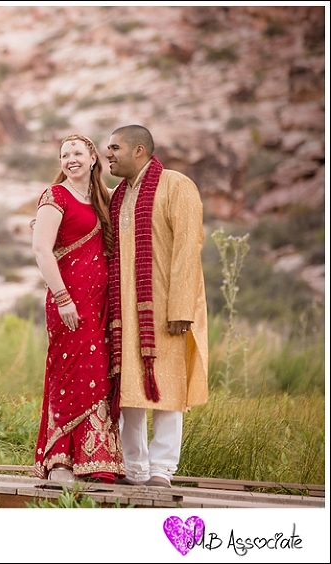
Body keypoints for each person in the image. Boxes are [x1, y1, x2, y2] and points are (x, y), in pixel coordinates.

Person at [104, 124, 209, 488]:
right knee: (129, 390)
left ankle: (162, 469)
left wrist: (181, 307)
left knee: (168, 386)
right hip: (124, 311)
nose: (108, 154)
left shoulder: (176, 185)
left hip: (165, 308)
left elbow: (187, 247)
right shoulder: (118, 195)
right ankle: (134, 469)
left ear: (139, 151)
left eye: (114, 147)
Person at [31, 134, 125, 485]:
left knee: (98, 376)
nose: (70, 159)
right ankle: (60, 461)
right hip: (69, 303)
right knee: (68, 373)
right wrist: (62, 298)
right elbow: (41, 250)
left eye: (77, 152)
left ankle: (95, 460)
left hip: (100, 305)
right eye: (64, 154)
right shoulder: (55, 196)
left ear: (93, 158)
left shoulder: (103, 198)